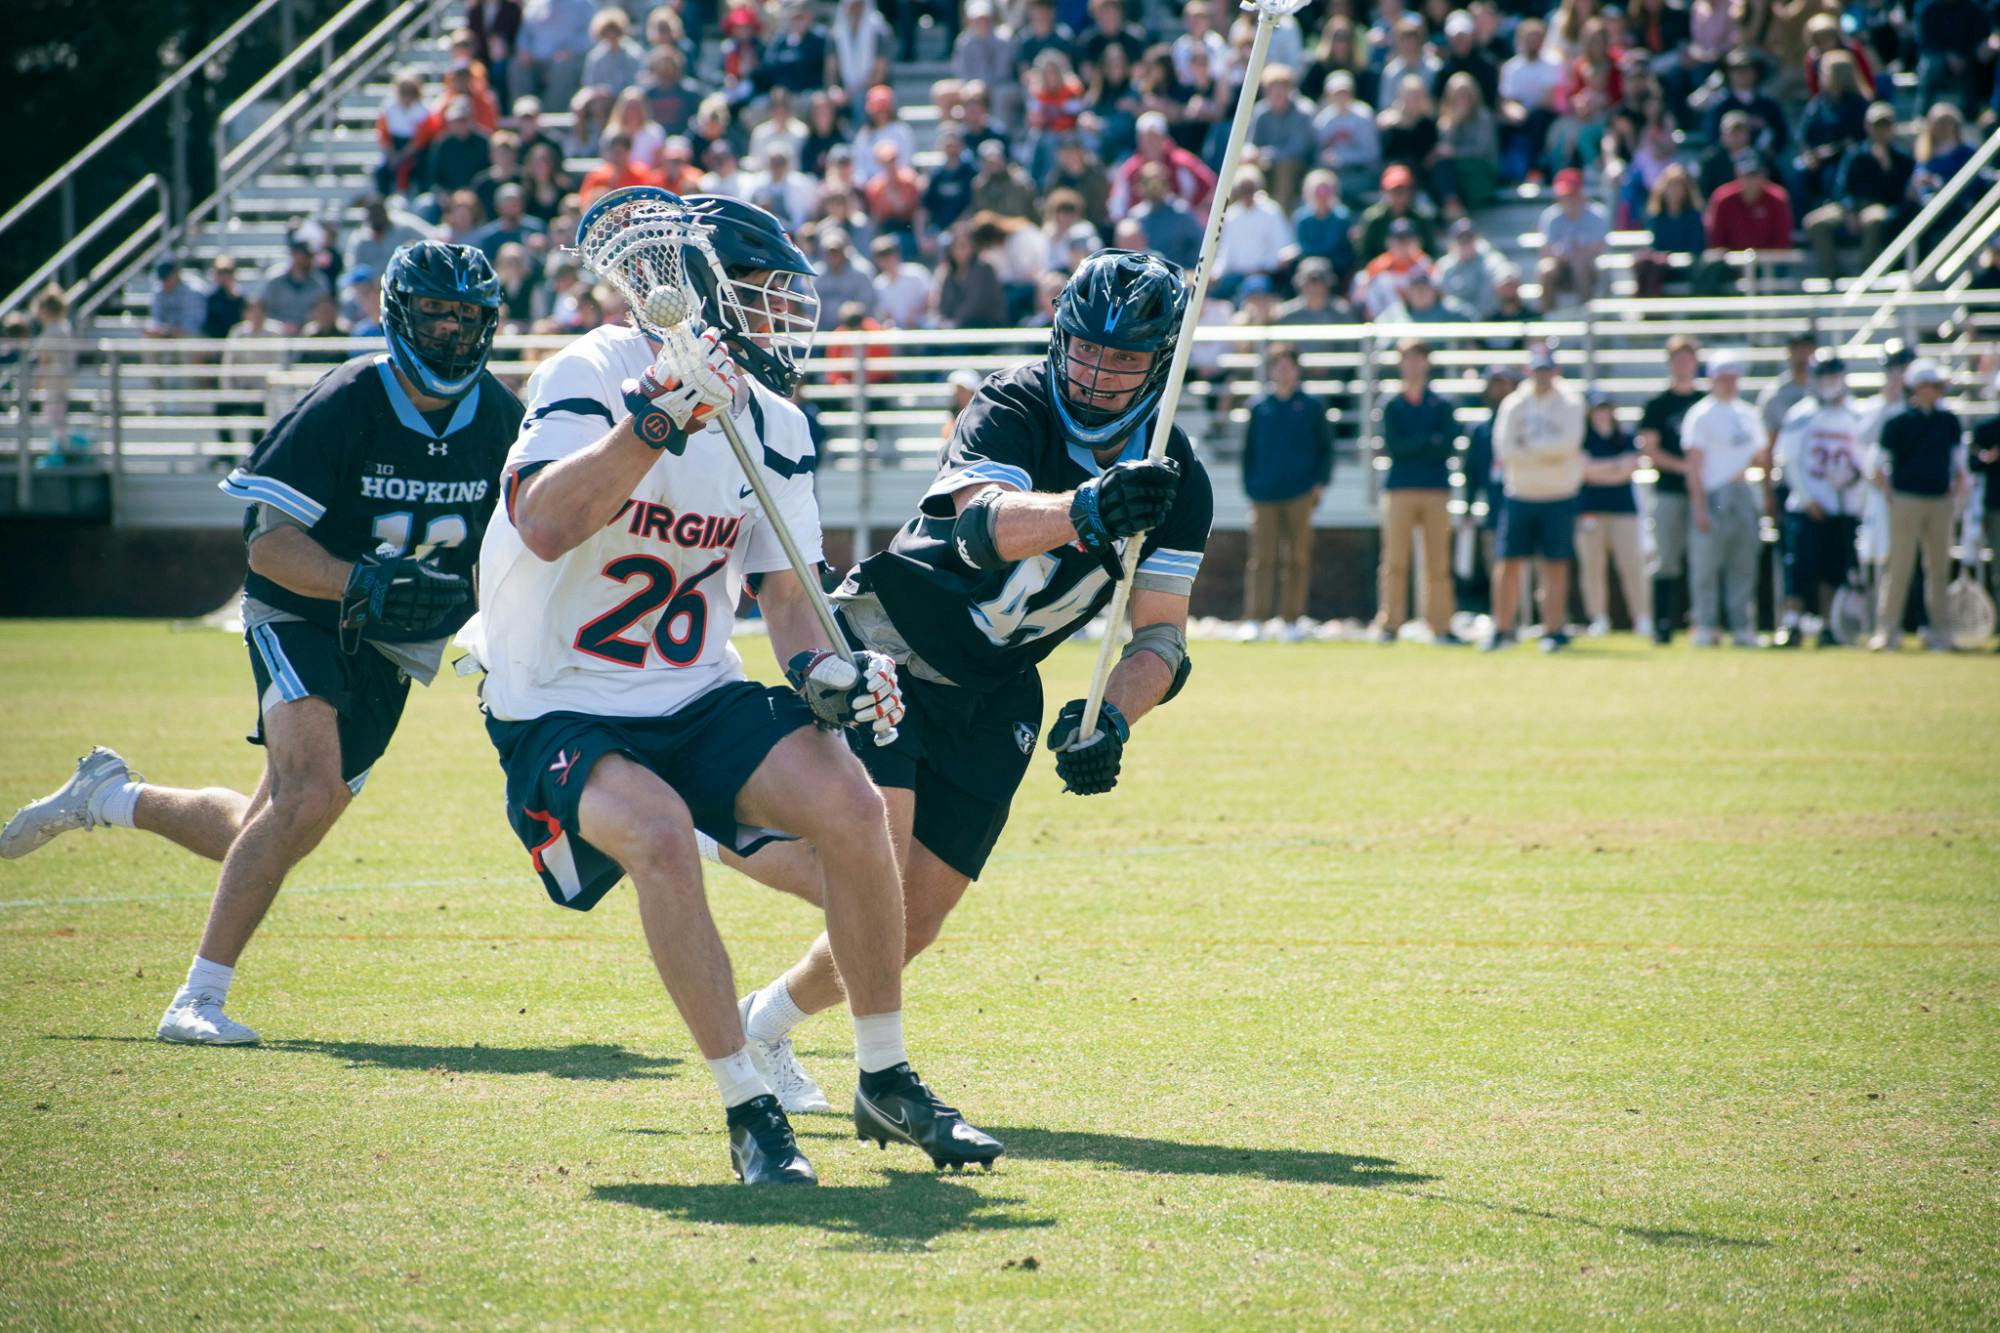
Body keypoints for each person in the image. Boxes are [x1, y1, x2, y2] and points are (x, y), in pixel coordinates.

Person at [464, 190, 999, 1183]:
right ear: (698, 294)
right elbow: (543, 522)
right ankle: (746, 1105)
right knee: (660, 832)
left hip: (692, 687)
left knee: (851, 802)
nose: (779, 316)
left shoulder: (777, 424)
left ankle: (883, 1075)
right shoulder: (592, 368)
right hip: (555, 697)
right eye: (756, 294)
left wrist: (831, 672)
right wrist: (660, 416)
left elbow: (786, 596)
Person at [718, 250, 1213, 1112]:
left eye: (1124, 358)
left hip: (999, 689)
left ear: (1162, 361)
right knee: (873, 865)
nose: (1097, 374)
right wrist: (1087, 508)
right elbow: (979, 525)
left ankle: (760, 1023)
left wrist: (1113, 715)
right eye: (1086, 349)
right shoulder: (1013, 401)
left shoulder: (1182, 476)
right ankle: (698, 811)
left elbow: (1163, 635)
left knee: (913, 919)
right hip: (896, 641)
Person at [1, 244, 521, 1047]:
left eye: (467, 317)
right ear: (399, 314)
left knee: (265, 822)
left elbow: (520, 542)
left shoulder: (498, 418)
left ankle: (107, 797)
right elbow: (267, 547)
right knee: (307, 793)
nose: (452, 333)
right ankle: (195, 999)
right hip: (303, 611)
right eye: (436, 314)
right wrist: (359, 583)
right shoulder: (350, 396)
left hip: (395, 647)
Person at [1486, 343, 1584, 652]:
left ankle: (1552, 630)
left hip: (1559, 494)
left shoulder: (1570, 402)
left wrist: (1529, 447)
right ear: (1529, 372)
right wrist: (1545, 451)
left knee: (1555, 564)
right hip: (1520, 494)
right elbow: (1505, 449)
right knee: (1509, 563)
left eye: (1547, 370)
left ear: (1556, 371)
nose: (1542, 377)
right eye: (1537, 371)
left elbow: (1568, 445)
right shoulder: (1514, 403)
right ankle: (1502, 629)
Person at [1772, 350, 1870, 648]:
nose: (1829, 382)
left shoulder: (1856, 415)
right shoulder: (1802, 414)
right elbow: (1787, 460)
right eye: (1824, 376)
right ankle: (1792, 624)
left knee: (1835, 570)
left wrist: (1854, 481)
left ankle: (1831, 624)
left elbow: (1868, 461)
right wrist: (1805, 497)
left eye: (1833, 376)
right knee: (1799, 568)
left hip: (1843, 505)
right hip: (1806, 505)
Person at [1873, 359, 1972, 650]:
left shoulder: (1949, 421)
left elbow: (1958, 463)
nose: (1931, 392)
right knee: (1900, 567)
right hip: (1906, 499)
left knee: (1938, 570)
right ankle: (1887, 630)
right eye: (1925, 386)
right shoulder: (1898, 421)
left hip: (1939, 500)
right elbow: (1878, 464)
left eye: (1935, 386)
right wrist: (1890, 494)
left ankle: (1941, 632)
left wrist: (1957, 491)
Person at [1241, 344, 1332, 636]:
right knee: (1262, 558)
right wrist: (1251, 486)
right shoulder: (1259, 406)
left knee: (1298, 557)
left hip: (1301, 492)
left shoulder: (1312, 406)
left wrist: (1320, 482)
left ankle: (1291, 619)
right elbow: (1249, 451)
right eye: (1277, 366)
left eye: (1288, 366)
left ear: (1297, 370)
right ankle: (1255, 618)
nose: (1283, 371)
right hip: (1264, 493)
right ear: (1270, 371)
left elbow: (1325, 448)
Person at [1374, 338, 1461, 644]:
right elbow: (1395, 446)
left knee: (1438, 561)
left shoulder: (1442, 403)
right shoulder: (1391, 404)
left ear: (1426, 362)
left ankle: (1440, 624)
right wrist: (1428, 441)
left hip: (1435, 487)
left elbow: (1447, 445)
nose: (1411, 365)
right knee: (1394, 560)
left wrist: (1420, 444)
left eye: (1417, 359)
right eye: (1406, 359)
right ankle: (1390, 623)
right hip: (1399, 487)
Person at [1681, 350, 1766, 647]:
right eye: (1723, 378)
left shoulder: (1748, 414)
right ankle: (1705, 624)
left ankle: (1742, 625)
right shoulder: (1701, 414)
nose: (1729, 383)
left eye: (1733, 377)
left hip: (1743, 490)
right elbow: (1694, 465)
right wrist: (1700, 507)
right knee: (1706, 563)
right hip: (1714, 492)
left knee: (1743, 562)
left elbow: (1761, 458)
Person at [1638, 334, 1703, 643]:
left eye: (1688, 358)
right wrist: (1683, 468)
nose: (1683, 365)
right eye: (1678, 359)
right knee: (1666, 558)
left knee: (1703, 559)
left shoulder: (1705, 403)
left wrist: (1699, 473)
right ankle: (1663, 622)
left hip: (1702, 492)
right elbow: (1649, 449)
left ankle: (1701, 622)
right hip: (1669, 490)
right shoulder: (1658, 404)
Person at [1576, 393, 1651, 637]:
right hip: (1590, 510)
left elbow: (1630, 467)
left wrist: (1600, 469)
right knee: (1592, 566)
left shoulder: (1625, 437)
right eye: (1597, 409)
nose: (1601, 413)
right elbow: (1583, 471)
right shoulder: (1582, 437)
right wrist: (1615, 466)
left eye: (1605, 408)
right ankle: (1597, 617)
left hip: (1623, 509)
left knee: (1631, 563)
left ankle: (1641, 616)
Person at [1536, 167, 1609, 312]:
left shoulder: (1597, 213)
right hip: (1562, 266)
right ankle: (1548, 316)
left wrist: (1577, 255)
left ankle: (1587, 314)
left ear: (1581, 193)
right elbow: (1546, 250)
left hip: (1590, 267)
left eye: (1572, 194)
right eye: (1564, 195)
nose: (1568, 199)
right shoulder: (1550, 217)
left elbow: (1598, 248)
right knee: (1546, 269)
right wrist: (1565, 255)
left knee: (1580, 263)